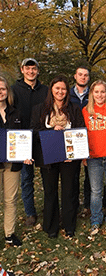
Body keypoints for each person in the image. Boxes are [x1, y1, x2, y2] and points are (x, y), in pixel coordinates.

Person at [30, 75, 85, 238]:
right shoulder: (40, 109)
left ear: (67, 91)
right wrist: (51, 132)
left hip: (69, 157)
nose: (60, 92)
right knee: (50, 191)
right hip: (48, 157)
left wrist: (74, 154)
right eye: (57, 88)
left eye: (63, 89)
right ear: (51, 90)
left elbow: (80, 131)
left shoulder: (74, 109)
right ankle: (51, 226)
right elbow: (34, 131)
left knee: (69, 191)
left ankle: (69, 225)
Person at [11, 58, 48, 227]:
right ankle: (30, 213)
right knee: (27, 178)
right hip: (23, 141)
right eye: (28, 68)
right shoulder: (14, 90)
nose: (31, 71)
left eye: (33, 68)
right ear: (22, 70)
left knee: (48, 177)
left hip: (42, 139)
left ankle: (50, 209)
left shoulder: (45, 90)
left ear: (37, 71)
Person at [82, 80, 106, 234]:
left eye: (102, 92)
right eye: (96, 92)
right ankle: (96, 219)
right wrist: (83, 155)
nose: (99, 95)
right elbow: (82, 135)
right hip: (94, 157)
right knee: (96, 191)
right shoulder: (86, 110)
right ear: (92, 93)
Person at [0, 76, 23, 246]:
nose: (0, 92)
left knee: (10, 199)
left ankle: (9, 233)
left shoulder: (16, 113)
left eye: (2, 88)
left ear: (7, 91)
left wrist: (26, 152)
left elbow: (23, 137)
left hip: (13, 164)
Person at [70, 66, 91, 216]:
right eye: (80, 75)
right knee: (73, 174)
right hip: (73, 138)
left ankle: (88, 205)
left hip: (91, 138)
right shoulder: (68, 95)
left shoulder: (94, 94)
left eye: (85, 75)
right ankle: (74, 204)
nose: (83, 77)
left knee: (90, 175)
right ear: (75, 76)